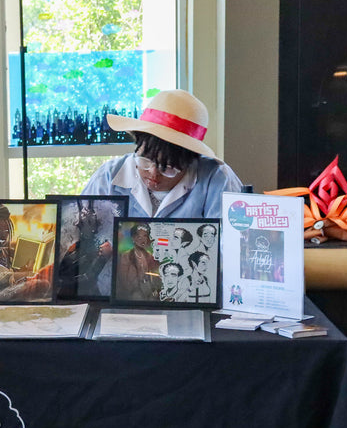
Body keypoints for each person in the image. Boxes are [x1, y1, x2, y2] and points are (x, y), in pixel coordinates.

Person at [82, 89, 243, 218]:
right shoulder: (108, 177)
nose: (153, 174)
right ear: (137, 146)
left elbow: (233, 246)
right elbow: (79, 232)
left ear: (190, 161)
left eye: (167, 168)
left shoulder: (218, 179)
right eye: (145, 161)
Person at [116, 223, 159, 301]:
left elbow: (155, 277)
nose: (142, 239)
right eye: (139, 236)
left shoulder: (150, 256)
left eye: (145, 236)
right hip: (133, 296)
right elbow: (125, 282)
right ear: (133, 238)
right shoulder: (126, 256)